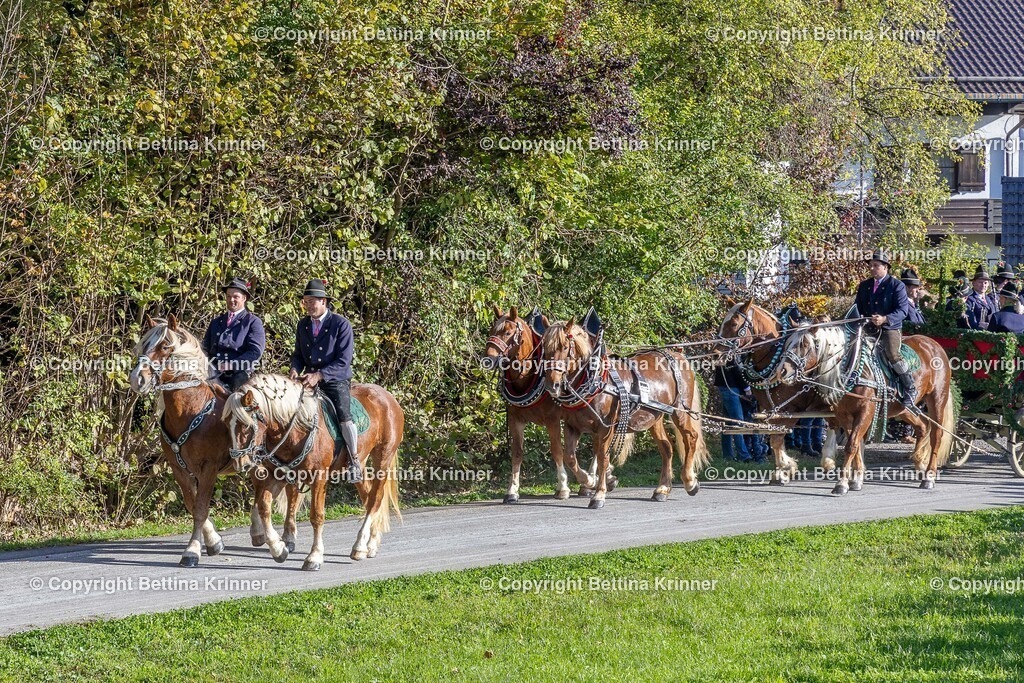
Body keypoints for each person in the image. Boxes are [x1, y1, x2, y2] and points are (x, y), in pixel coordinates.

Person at [289, 279, 362, 482]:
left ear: (324, 301)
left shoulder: (340, 324)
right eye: (306, 301)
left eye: (312, 301)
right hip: (307, 380)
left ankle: (354, 460)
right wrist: (295, 369)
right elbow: (298, 355)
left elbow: (344, 360)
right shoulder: (302, 325)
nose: (308, 305)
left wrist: (319, 375)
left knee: (344, 416)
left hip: (334, 380)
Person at [854, 250, 917, 409]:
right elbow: (857, 308)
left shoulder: (897, 285)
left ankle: (909, 387)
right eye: (871, 266)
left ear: (885, 267)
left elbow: (903, 310)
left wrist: (885, 319)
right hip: (867, 327)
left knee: (892, 353)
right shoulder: (864, 285)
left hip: (890, 328)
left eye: (876, 266)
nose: (872, 269)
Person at [202, 277, 265, 391]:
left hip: (238, 374)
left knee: (237, 400)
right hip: (213, 371)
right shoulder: (216, 322)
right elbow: (205, 348)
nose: (231, 300)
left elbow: (255, 352)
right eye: (229, 296)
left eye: (236, 297)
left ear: (244, 298)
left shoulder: (253, 322)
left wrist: (232, 365)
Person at [713, 360, 753, 462]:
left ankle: (728, 455)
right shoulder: (730, 350)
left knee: (728, 423)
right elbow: (736, 370)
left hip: (725, 386)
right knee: (738, 422)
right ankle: (743, 455)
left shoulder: (722, 349)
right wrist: (746, 388)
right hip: (731, 387)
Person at [965, 266, 996, 330]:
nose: (983, 285)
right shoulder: (969, 299)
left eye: (985, 283)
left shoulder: (989, 299)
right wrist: (979, 325)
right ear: (973, 283)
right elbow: (969, 320)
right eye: (980, 282)